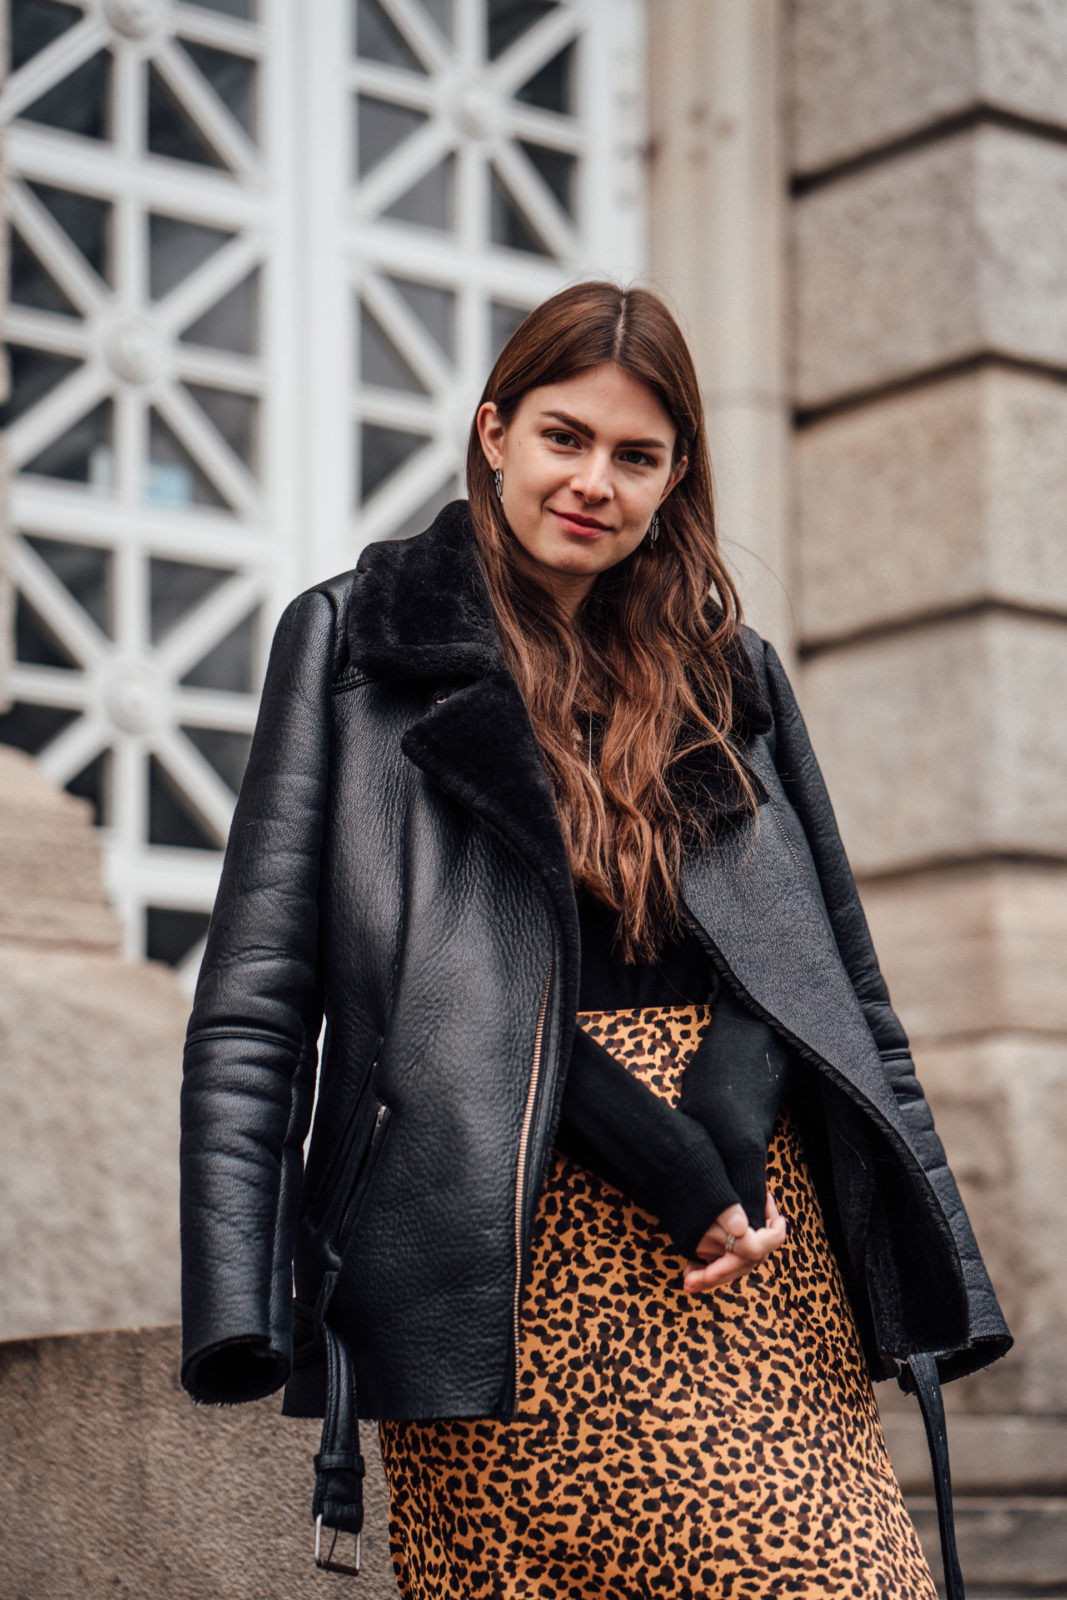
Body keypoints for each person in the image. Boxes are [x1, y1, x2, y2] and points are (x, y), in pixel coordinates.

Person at [179, 281, 1011, 1598]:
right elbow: (260, 992)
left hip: (747, 1241)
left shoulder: (726, 669)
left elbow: (829, 966)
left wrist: (752, 1143)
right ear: (494, 430)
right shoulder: (353, 643)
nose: (596, 484)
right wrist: (237, 1296)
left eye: (638, 457)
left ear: (677, 476)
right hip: (488, 1234)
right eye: (566, 437)